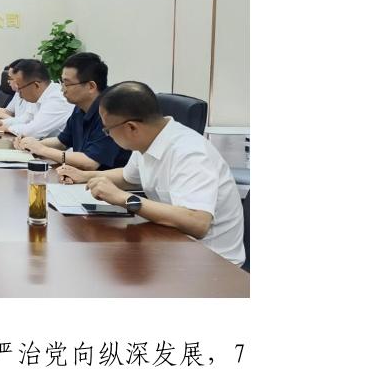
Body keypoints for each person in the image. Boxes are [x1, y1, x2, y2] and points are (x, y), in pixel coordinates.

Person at [57, 81, 245, 265]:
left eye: (107, 130)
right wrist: (85, 176)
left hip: (211, 262)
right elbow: (127, 177)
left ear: (131, 127)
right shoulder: (148, 141)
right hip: (172, 246)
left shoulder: (190, 153)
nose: (108, 135)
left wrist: (124, 199)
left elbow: (197, 222)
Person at [19, 53, 130, 170]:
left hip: (107, 179)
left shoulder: (111, 110)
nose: (62, 89)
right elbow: (62, 142)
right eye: (62, 82)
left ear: (91, 86)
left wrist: (42, 150)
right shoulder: (80, 106)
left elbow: (91, 162)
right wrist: (30, 144)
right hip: (82, 176)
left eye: (67, 83)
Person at [0, 58, 73, 138]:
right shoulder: (38, 97)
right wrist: (1, 123)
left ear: (36, 85)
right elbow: (26, 119)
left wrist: (7, 128)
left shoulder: (57, 99)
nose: (19, 94)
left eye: (20, 87)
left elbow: (34, 131)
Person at [0, 59, 35, 125]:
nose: (8, 81)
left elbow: (25, 122)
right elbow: (9, 111)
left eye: (10, 78)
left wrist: (1, 118)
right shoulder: (17, 92)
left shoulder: (33, 97)